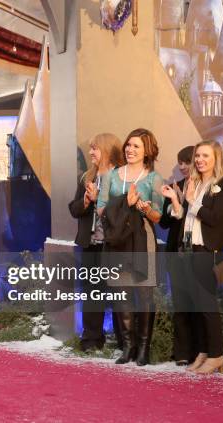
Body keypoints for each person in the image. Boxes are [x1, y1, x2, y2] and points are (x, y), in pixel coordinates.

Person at [161, 140, 223, 374]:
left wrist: (192, 201)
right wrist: (176, 201)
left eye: (205, 156)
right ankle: (204, 351)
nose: (200, 160)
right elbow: (184, 217)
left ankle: (216, 355)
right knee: (196, 305)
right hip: (189, 250)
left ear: (216, 158)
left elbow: (214, 218)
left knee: (207, 305)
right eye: (198, 156)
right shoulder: (194, 182)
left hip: (208, 252)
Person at [97, 128, 164, 366]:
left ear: (147, 151)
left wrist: (144, 207)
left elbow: (158, 216)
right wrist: (126, 203)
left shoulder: (154, 179)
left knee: (144, 293)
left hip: (142, 239)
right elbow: (101, 208)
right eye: (128, 145)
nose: (130, 149)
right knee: (120, 292)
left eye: (136, 146)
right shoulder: (111, 176)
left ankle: (143, 348)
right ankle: (127, 347)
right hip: (117, 239)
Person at [68, 133, 124, 351]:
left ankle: (124, 340)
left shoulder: (121, 178)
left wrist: (99, 198)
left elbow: (123, 212)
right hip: (90, 244)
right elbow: (73, 209)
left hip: (113, 245)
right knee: (92, 292)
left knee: (119, 293)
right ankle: (92, 338)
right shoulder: (86, 178)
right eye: (90, 148)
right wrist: (85, 201)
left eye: (95, 148)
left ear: (108, 150)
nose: (90, 152)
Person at [159, 145, 197, 366]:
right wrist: (173, 201)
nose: (183, 166)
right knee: (180, 303)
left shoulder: (206, 189)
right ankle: (182, 352)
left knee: (198, 304)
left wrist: (186, 201)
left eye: (187, 162)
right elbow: (164, 223)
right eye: (180, 162)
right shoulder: (175, 186)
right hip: (176, 252)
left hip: (198, 253)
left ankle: (202, 351)